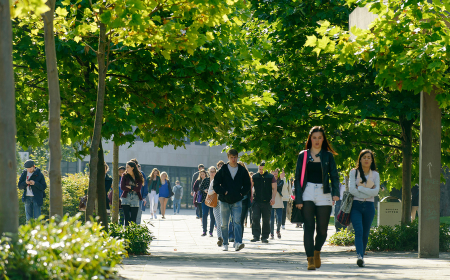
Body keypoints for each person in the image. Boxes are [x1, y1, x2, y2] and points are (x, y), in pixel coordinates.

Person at [294, 126, 339, 270]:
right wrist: (298, 199)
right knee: (309, 227)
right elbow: (297, 178)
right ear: (310, 139)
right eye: (314, 137)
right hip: (307, 192)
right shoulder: (303, 155)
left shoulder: (328, 156)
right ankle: (310, 259)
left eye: (320, 137)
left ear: (323, 139)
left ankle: (317, 251)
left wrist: (335, 192)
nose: (317, 140)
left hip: (323, 192)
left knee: (322, 230)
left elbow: (334, 176)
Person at [213, 149, 251, 252]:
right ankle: (225, 243)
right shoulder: (223, 170)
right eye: (231, 157)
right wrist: (223, 191)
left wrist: (242, 193)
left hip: (237, 200)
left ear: (237, 157)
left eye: (235, 157)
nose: (233, 159)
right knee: (224, 224)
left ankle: (238, 242)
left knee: (237, 222)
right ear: (228, 158)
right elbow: (215, 184)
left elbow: (248, 184)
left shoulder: (242, 170)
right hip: (224, 200)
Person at [349, 149, 380, 267]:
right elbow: (352, 190)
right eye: (364, 157)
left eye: (368, 157)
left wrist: (360, 189)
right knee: (359, 231)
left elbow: (376, 192)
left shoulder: (375, 174)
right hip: (356, 205)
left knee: (365, 233)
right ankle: (359, 256)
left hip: (369, 206)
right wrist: (368, 191)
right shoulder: (354, 172)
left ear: (372, 160)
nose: (366, 159)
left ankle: (362, 255)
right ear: (360, 159)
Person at [251, 162, 276, 243]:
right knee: (255, 218)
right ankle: (256, 236)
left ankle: (265, 237)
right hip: (256, 201)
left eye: (262, 169)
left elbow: (274, 188)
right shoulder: (254, 176)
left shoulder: (271, 177)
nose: (261, 171)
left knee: (266, 220)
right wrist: (251, 197)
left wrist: (273, 198)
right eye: (260, 169)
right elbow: (250, 187)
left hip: (267, 202)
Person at [120, 161, 144, 226]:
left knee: (133, 219)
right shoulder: (124, 176)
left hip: (135, 198)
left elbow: (138, 188)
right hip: (125, 197)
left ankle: (132, 233)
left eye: (128, 167)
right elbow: (122, 187)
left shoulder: (139, 176)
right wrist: (134, 187)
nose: (126, 169)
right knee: (127, 218)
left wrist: (130, 187)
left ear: (132, 168)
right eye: (126, 167)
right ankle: (127, 233)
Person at [207, 166, 223, 246]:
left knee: (224, 222)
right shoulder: (213, 181)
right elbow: (209, 192)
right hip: (216, 204)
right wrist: (215, 190)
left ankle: (225, 238)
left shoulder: (226, 181)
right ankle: (220, 238)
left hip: (225, 204)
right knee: (218, 222)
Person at [198, 169, 215, 236]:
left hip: (214, 200)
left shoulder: (217, 180)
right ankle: (204, 231)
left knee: (212, 216)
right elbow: (200, 188)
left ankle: (211, 232)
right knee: (204, 214)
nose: (212, 173)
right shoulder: (205, 180)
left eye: (213, 171)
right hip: (205, 199)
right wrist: (204, 190)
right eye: (211, 171)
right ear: (209, 172)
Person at [270, 169, 284, 239]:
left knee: (279, 219)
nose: (275, 173)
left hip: (279, 201)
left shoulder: (281, 181)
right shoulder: (269, 180)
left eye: (276, 171)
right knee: (271, 220)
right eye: (273, 171)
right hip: (271, 201)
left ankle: (278, 230)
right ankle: (271, 233)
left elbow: (278, 187)